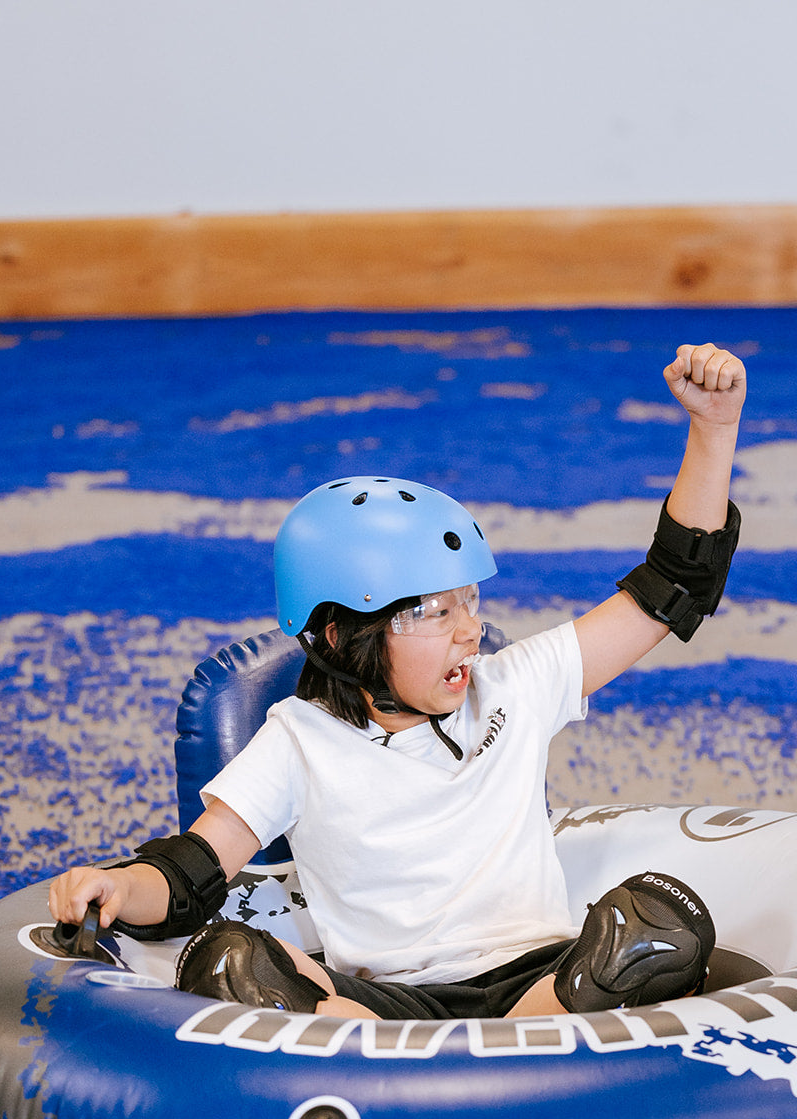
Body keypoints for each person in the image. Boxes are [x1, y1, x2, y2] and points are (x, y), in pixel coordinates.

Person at [49, 342, 746, 1021]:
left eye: (469, 601)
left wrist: (713, 429)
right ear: (341, 636)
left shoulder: (515, 684)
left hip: (540, 978)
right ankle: (480, 1053)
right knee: (229, 959)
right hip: (388, 1001)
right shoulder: (299, 740)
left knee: (661, 920)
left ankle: (477, 1048)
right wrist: (115, 886)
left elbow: (672, 587)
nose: (468, 629)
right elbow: (188, 875)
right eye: (432, 612)